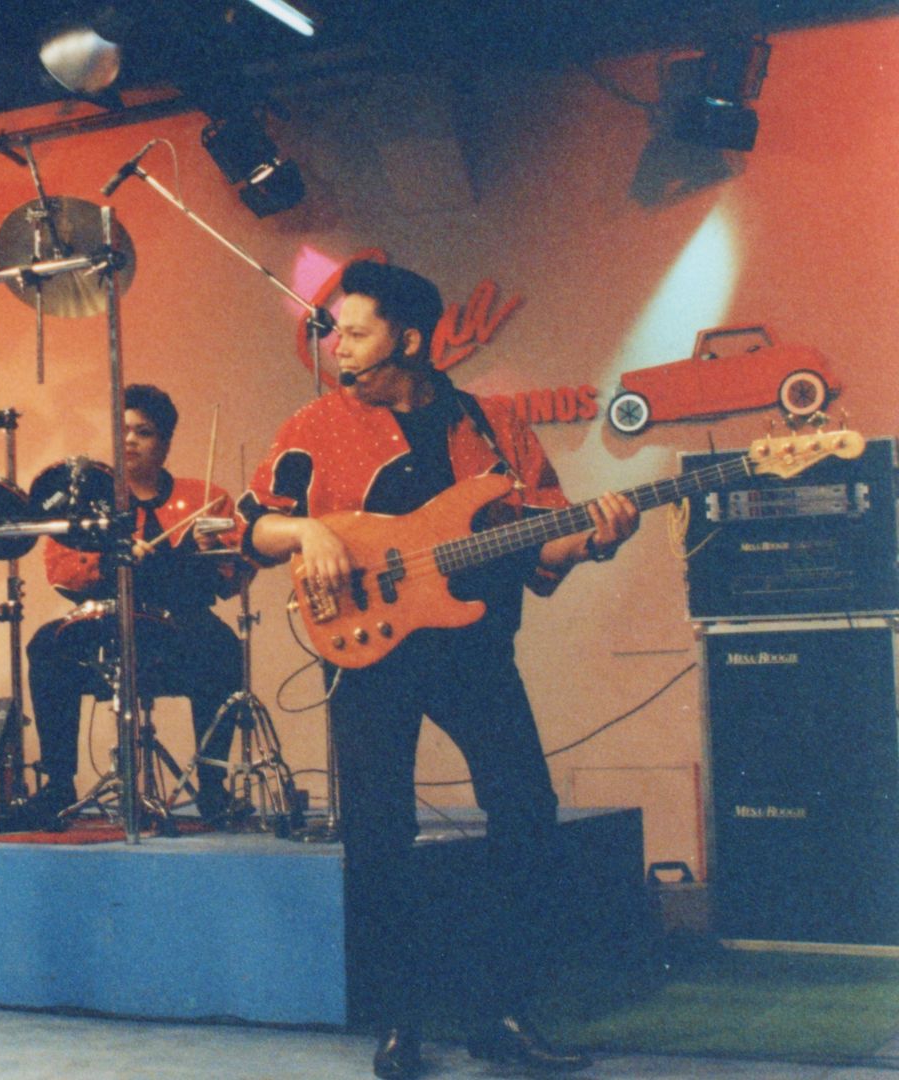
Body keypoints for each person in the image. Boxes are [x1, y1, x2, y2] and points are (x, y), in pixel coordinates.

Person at [240, 261, 635, 1078]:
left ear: (409, 340)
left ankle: (504, 1011)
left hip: (474, 649)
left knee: (526, 809)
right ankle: (399, 1022)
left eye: (355, 333)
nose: (337, 347)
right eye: (337, 332)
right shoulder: (315, 424)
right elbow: (254, 526)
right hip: (368, 651)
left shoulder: (491, 427)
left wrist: (595, 537)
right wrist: (308, 535)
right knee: (379, 833)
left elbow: (540, 541)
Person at [19, 384, 252, 830]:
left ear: (164, 444)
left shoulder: (205, 496)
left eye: (143, 432)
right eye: (122, 429)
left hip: (181, 626)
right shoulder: (86, 498)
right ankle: (58, 784)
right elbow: (61, 570)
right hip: (106, 620)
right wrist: (111, 559)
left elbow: (232, 573)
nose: (129, 440)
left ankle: (213, 785)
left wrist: (214, 549)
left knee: (223, 649)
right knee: (45, 646)